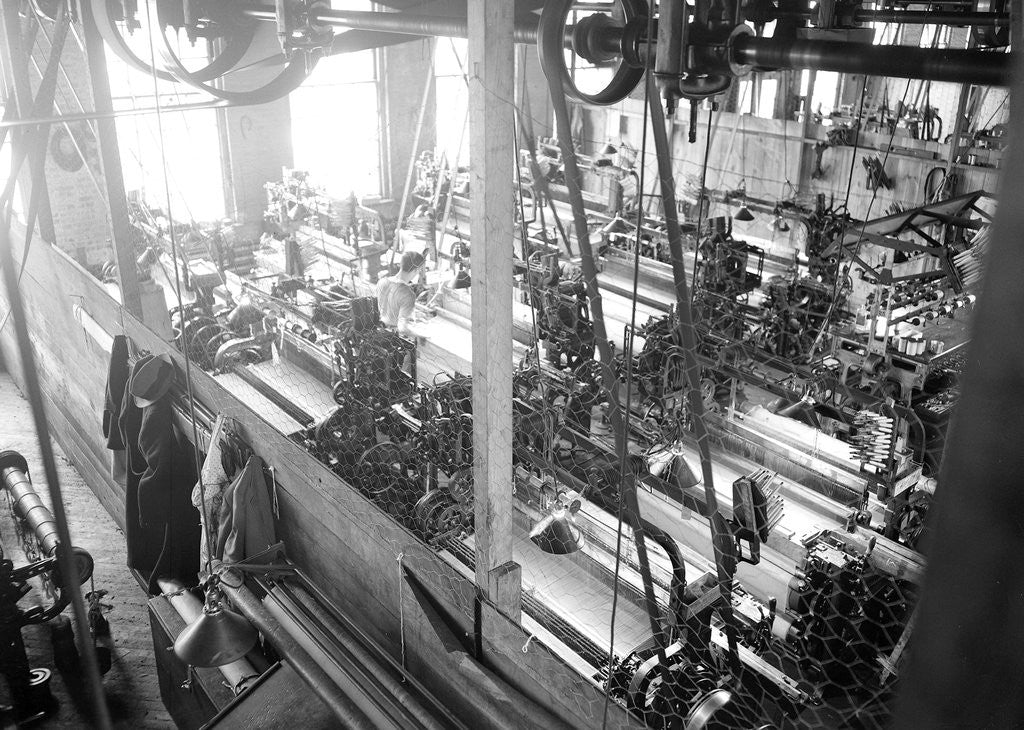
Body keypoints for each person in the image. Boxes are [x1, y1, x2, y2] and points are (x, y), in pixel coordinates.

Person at [376, 250, 426, 336]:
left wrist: (414, 314)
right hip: (394, 338)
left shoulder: (382, 281)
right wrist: (422, 336)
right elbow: (403, 329)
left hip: (380, 330)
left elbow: (390, 308)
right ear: (416, 270)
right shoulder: (407, 293)